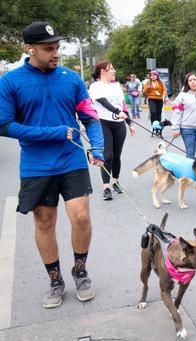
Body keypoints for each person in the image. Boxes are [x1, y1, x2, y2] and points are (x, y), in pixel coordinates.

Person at [0, 21, 104, 308]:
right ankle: (55, 280)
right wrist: (53, 133)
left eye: (57, 47)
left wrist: (97, 147)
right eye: (49, 49)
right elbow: (4, 125)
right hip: (36, 165)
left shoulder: (71, 79)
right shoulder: (10, 82)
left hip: (71, 159)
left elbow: (90, 117)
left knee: (81, 217)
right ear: (29, 48)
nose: (56, 52)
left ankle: (80, 271)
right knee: (45, 222)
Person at [89, 61, 136, 201]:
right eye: (111, 69)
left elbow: (122, 106)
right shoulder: (95, 86)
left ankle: (115, 181)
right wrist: (116, 111)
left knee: (117, 155)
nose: (114, 71)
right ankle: (106, 186)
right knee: (107, 155)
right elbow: (102, 101)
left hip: (119, 124)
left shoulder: (116, 86)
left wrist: (129, 123)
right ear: (103, 71)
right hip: (103, 122)